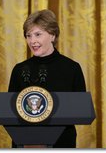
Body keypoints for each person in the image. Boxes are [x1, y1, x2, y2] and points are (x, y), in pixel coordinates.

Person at [8, 9, 86, 148]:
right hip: (24, 145)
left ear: (52, 35)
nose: (32, 41)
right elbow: (9, 111)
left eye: (38, 34)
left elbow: (80, 109)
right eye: (28, 35)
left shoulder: (71, 68)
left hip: (61, 144)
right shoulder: (19, 70)